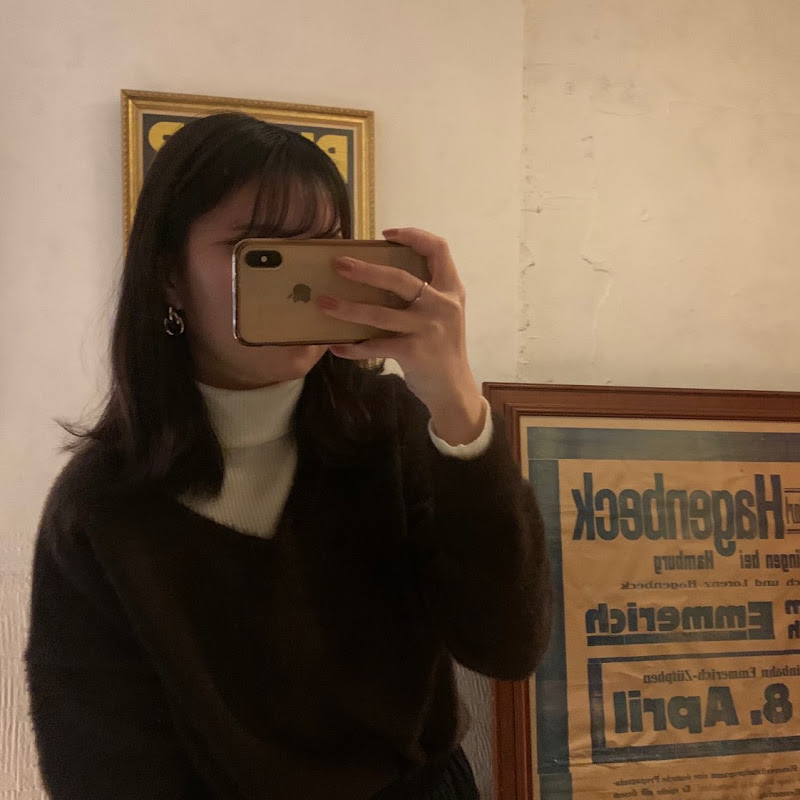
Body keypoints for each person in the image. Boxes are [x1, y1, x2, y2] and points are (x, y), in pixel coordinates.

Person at [25, 112, 552, 800]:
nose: (305, 282)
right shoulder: (101, 505)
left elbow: (508, 646)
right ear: (169, 277)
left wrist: (455, 399)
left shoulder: (394, 428)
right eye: (259, 250)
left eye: (325, 246)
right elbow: (102, 769)